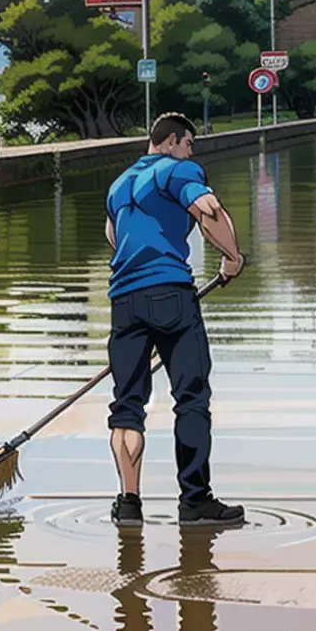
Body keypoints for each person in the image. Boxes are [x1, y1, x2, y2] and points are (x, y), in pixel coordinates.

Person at [105, 112, 246, 526]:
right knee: (191, 399)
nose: (191, 152)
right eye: (189, 144)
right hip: (171, 295)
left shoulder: (118, 184)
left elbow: (113, 238)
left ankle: (128, 503)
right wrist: (232, 258)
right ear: (171, 140)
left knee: (127, 408)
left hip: (124, 301)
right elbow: (210, 210)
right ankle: (195, 501)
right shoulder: (176, 170)